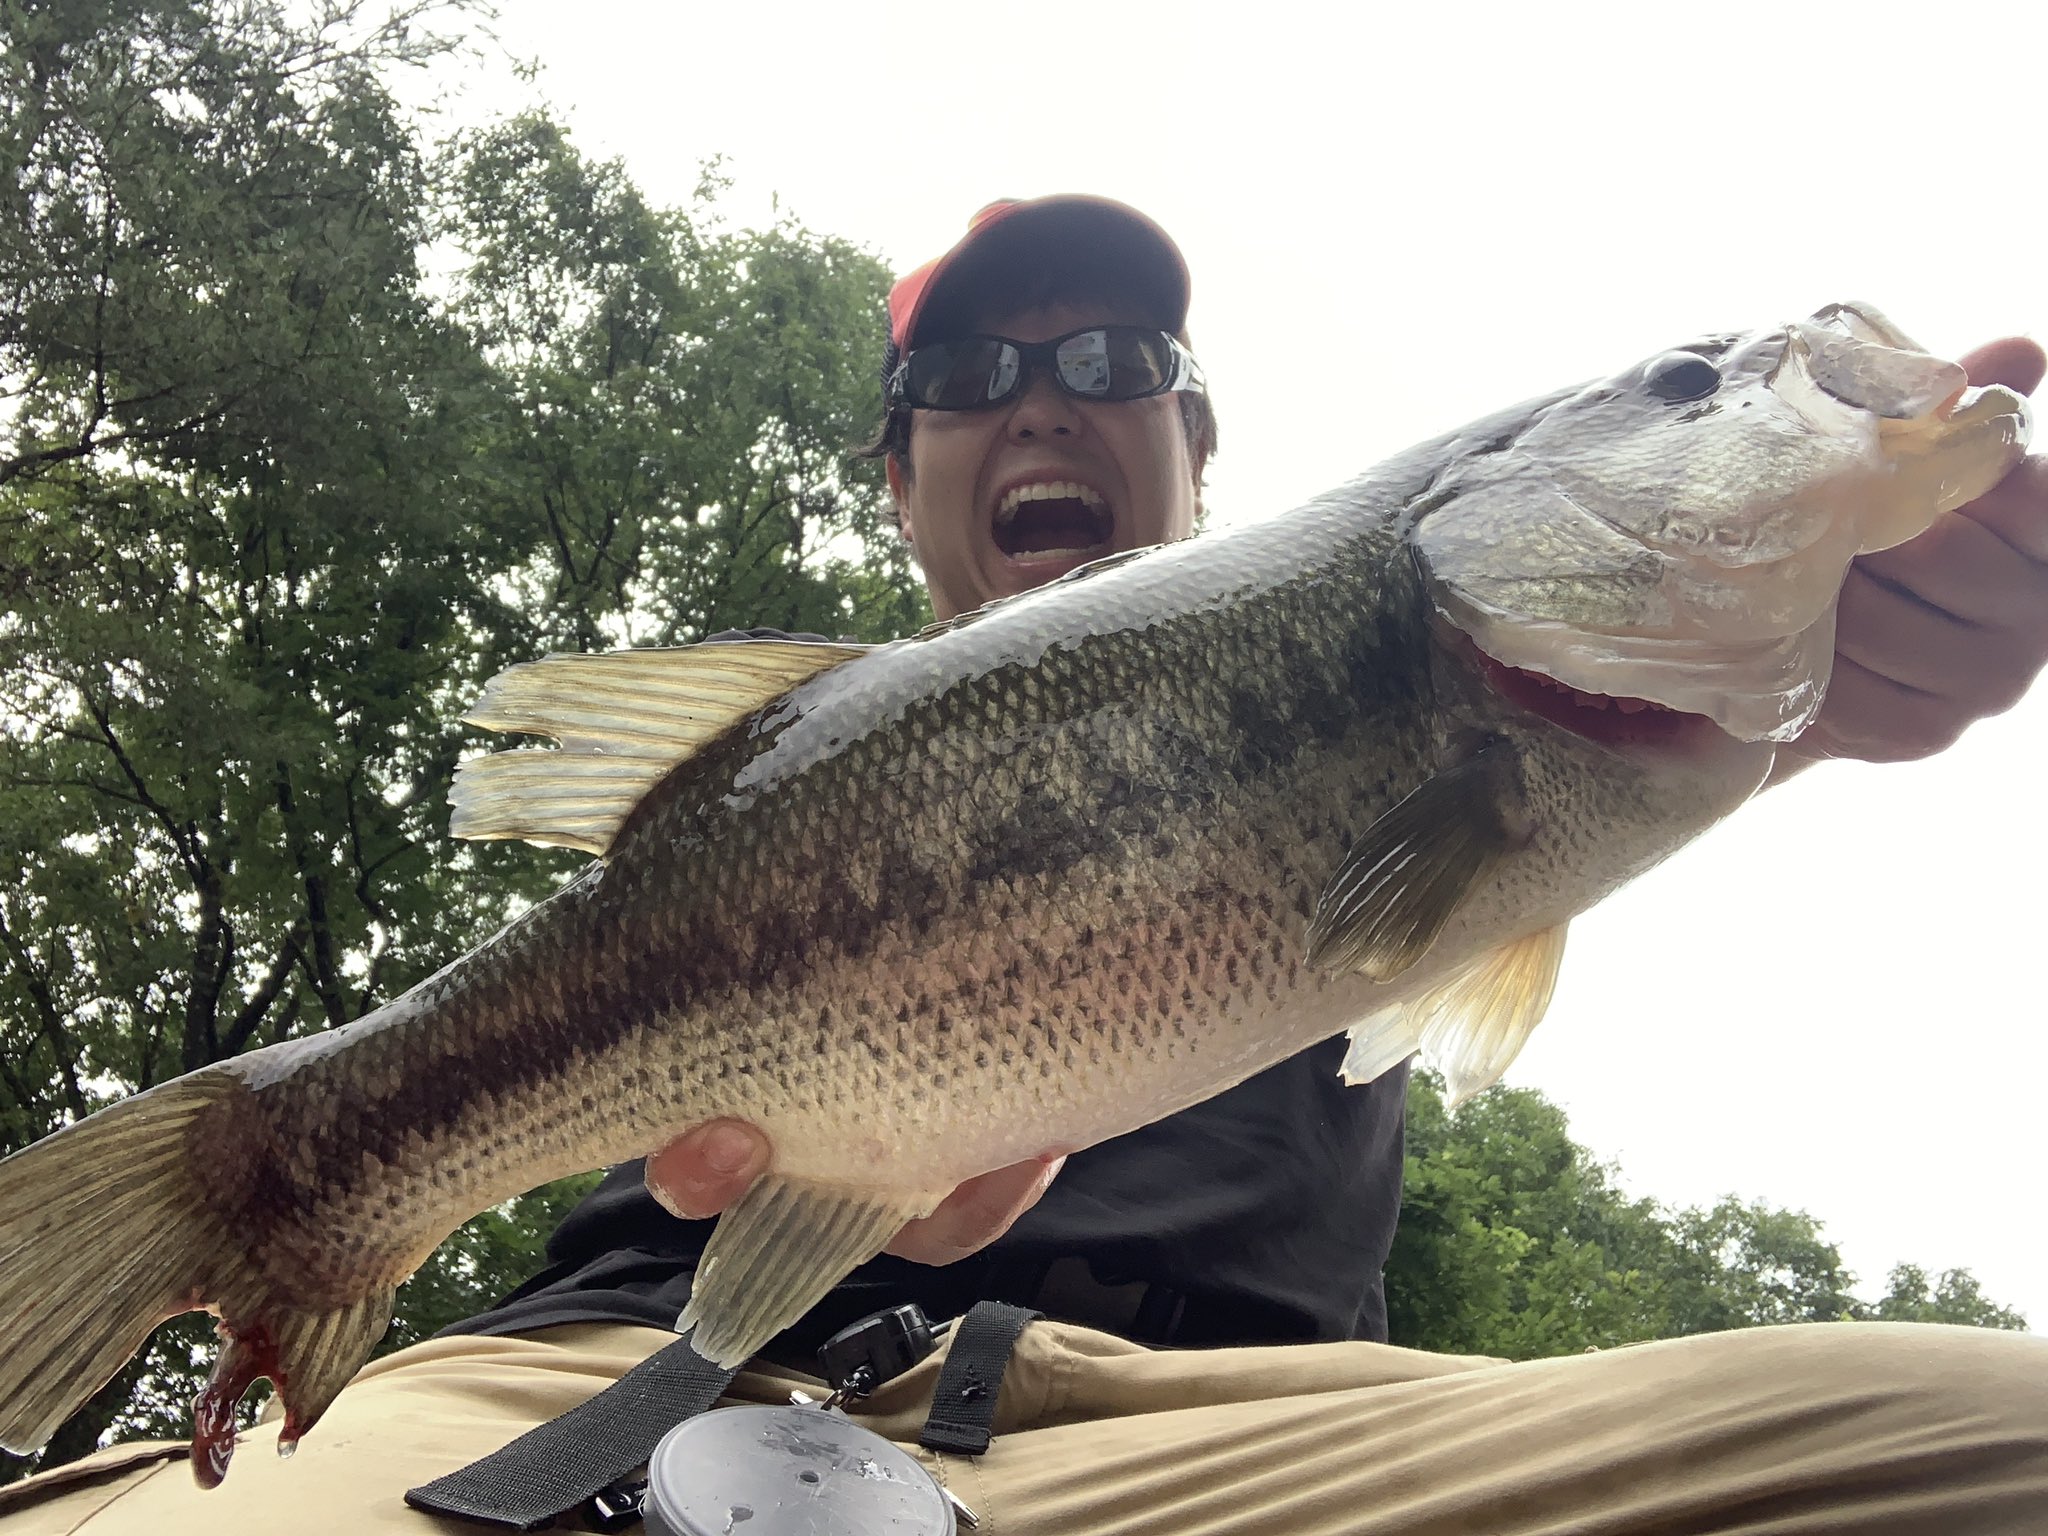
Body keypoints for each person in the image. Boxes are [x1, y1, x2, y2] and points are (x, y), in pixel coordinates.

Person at [4, 196, 2044, 1533]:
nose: (1040, 404)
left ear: (1198, 444)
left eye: (1109, 366)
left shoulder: (1532, 690)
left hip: (1243, 1439)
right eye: (964, 381)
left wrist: (1845, 679)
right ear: (899, 475)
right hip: (628, 1371)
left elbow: (1574, 765)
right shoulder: (780, 753)